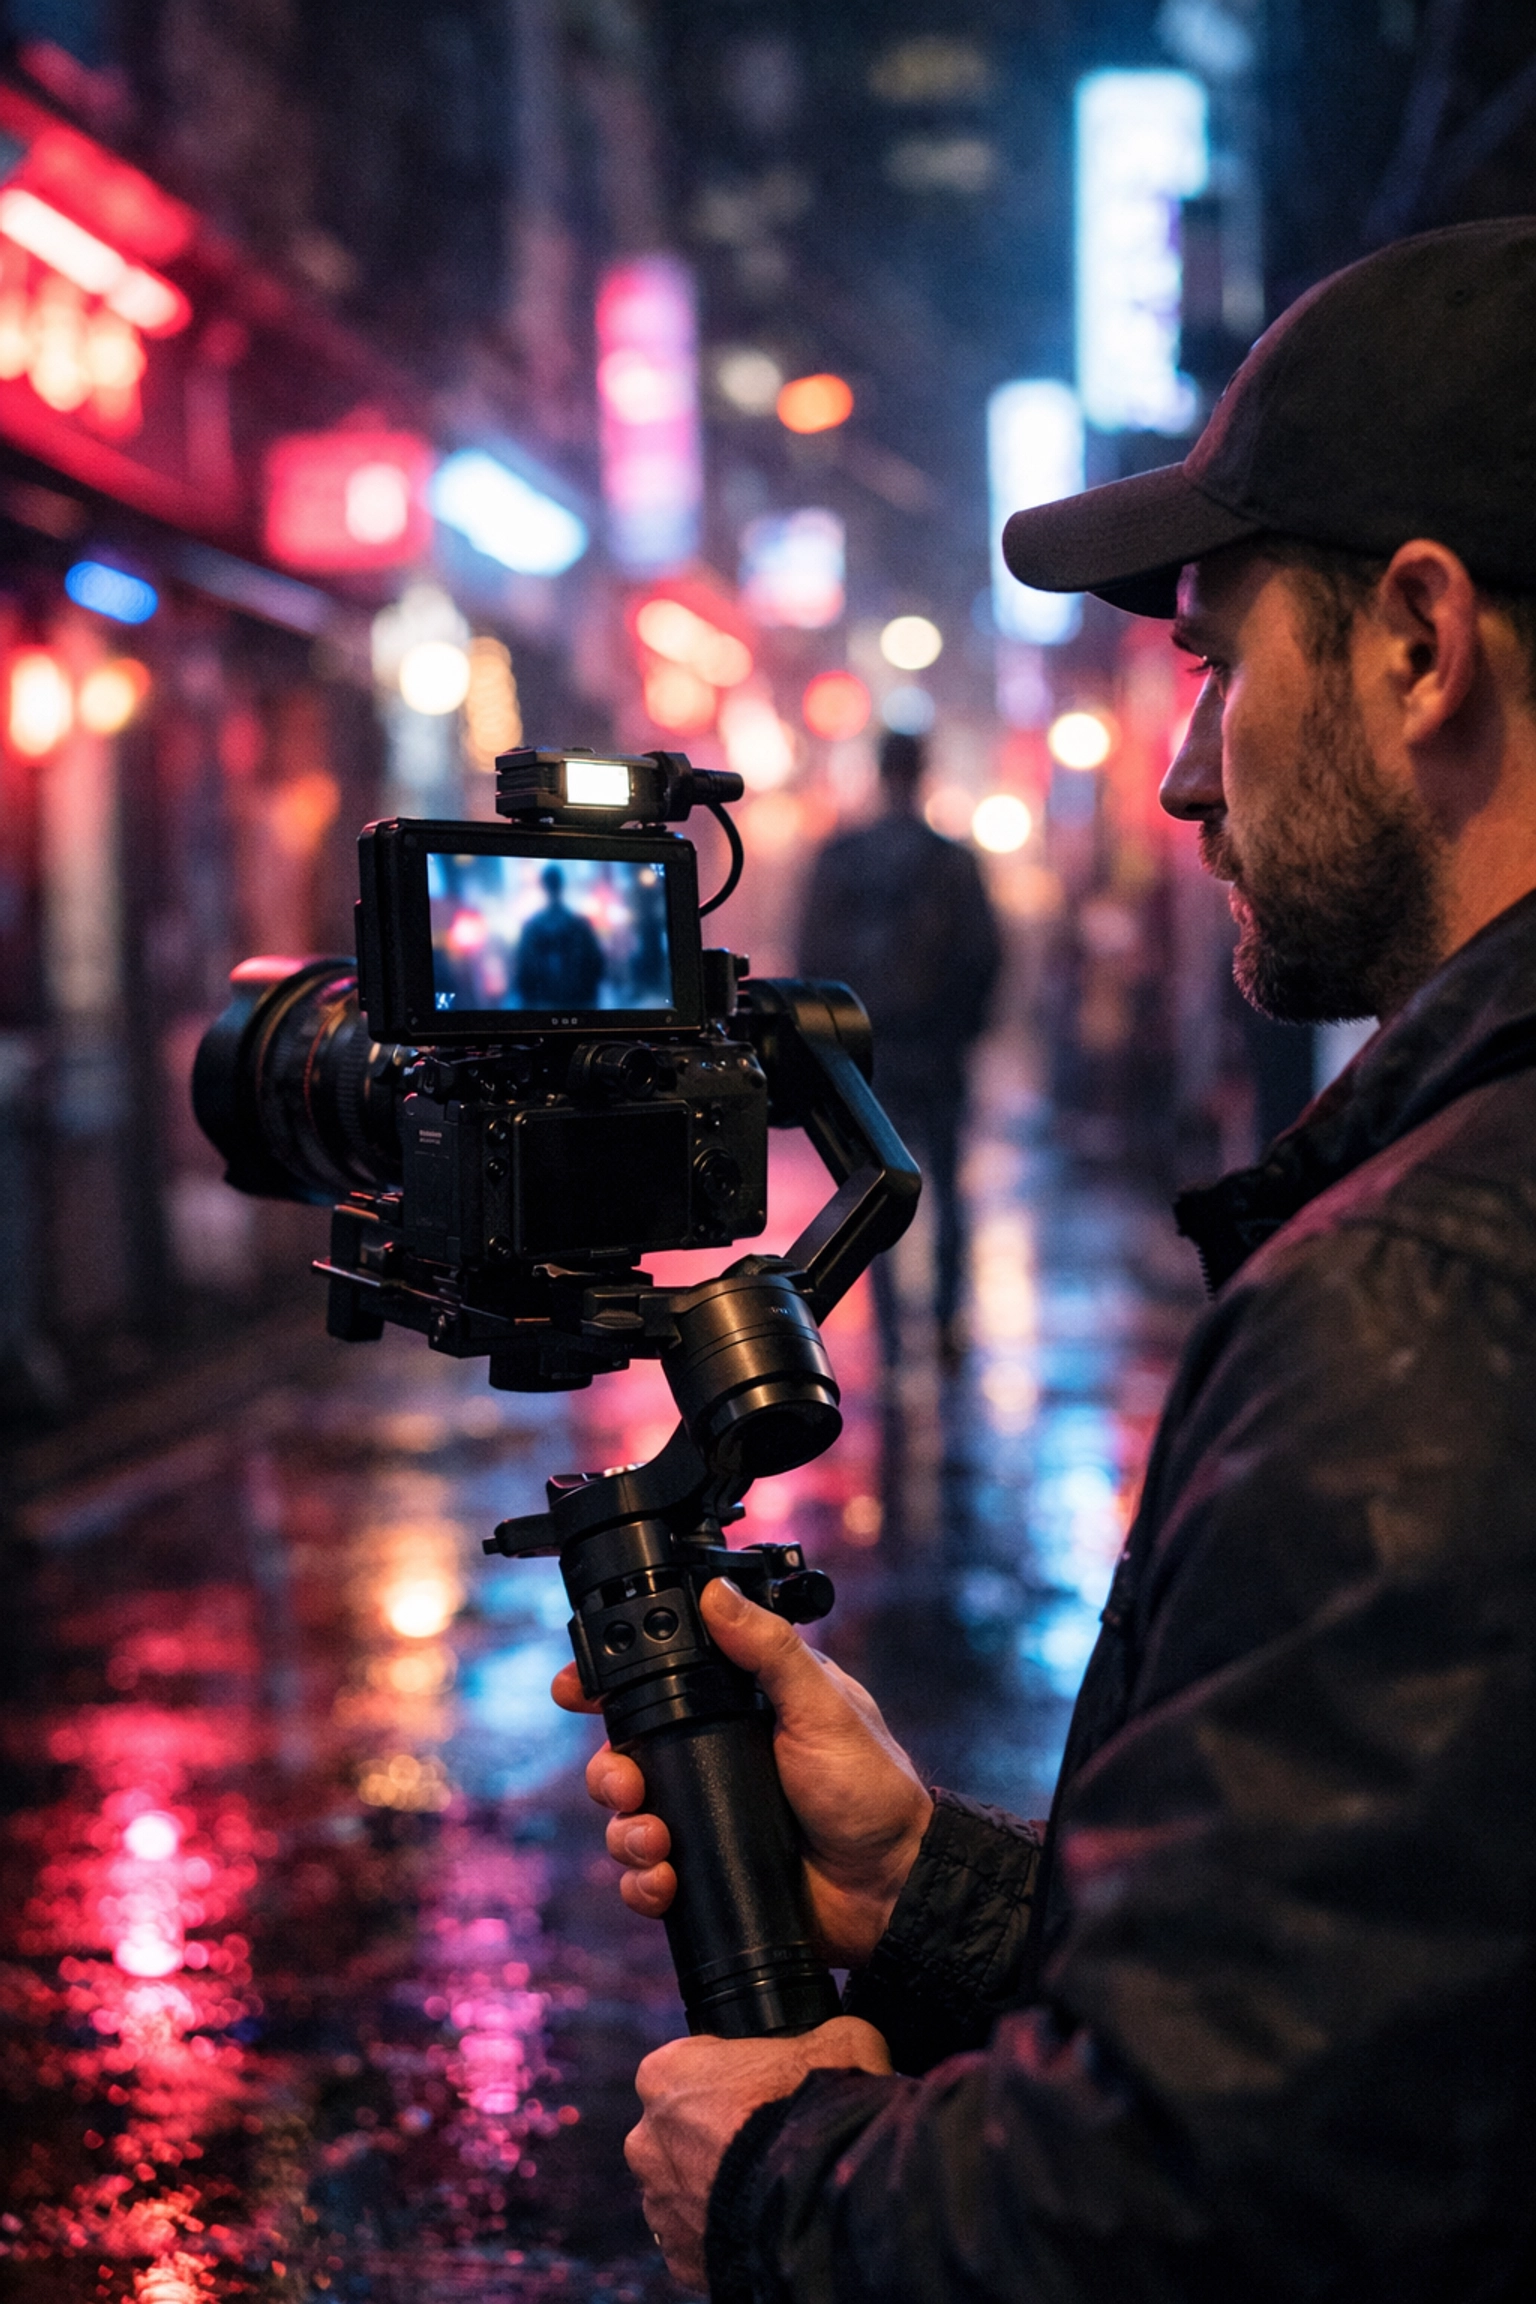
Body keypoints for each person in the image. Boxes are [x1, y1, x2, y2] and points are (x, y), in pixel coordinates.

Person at [553, 218, 1536, 2302]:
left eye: (1214, 663)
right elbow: (1420, 2011)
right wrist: (932, 1891)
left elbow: (1200, 2213)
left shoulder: (1424, 1296)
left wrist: (786, 2178)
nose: (1183, 772)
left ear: (1422, 643)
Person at [797, 728, 1002, 1371]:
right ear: (923, 772)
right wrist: (964, 1032)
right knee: (946, 1191)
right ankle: (945, 1325)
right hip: (937, 1050)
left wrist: (829, 1044)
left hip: (868, 1053)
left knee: (874, 1192)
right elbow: (984, 955)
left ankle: (890, 1336)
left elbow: (813, 954)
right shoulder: (952, 862)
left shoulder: (842, 858)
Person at [515, 862, 606, 1009]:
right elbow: (596, 966)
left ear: (543, 887)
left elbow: (523, 975)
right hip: (576, 1006)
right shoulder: (580, 925)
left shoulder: (531, 928)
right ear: (562, 885)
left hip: (548, 1006)